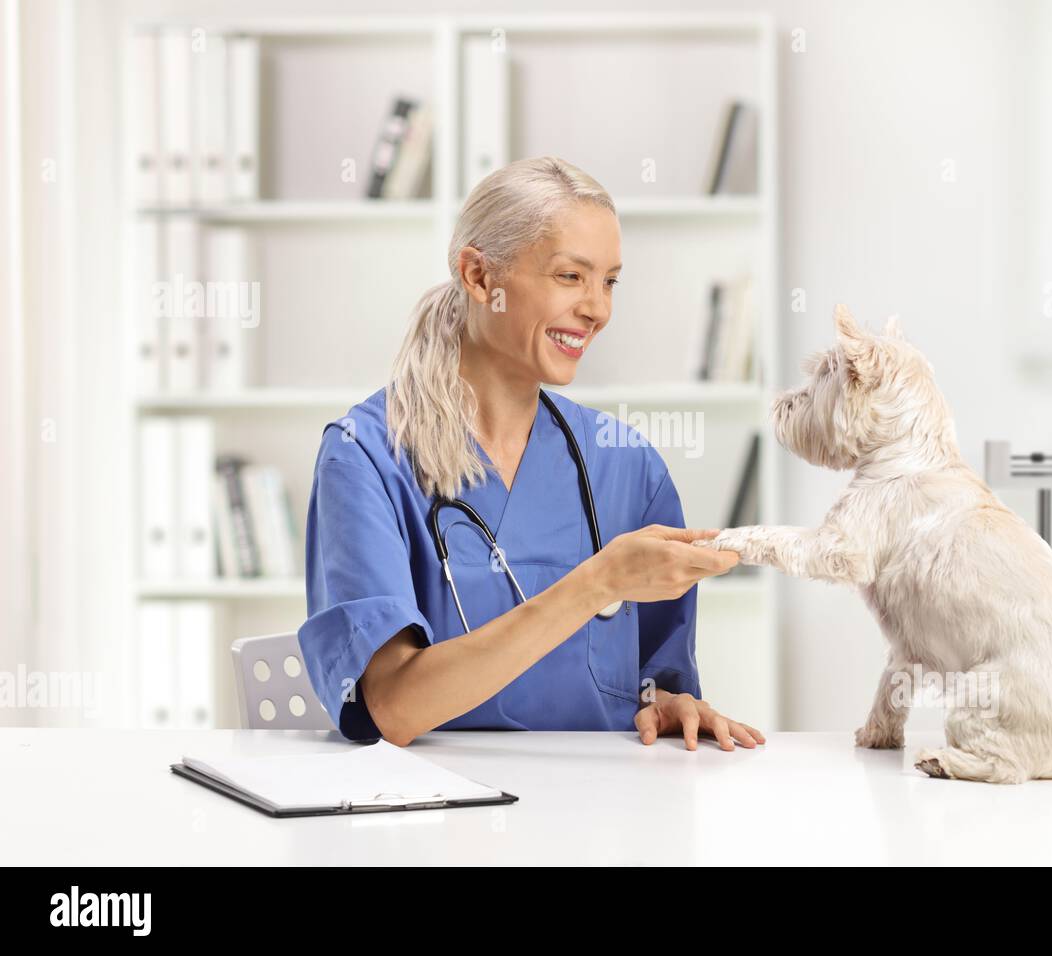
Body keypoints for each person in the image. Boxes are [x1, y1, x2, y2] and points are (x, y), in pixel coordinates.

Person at [298, 156, 764, 751]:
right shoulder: (366, 458)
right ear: (477, 275)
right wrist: (596, 584)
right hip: (433, 822)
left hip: (601, 820)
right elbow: (392, 707)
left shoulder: (627, 467)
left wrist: (668, 703)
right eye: (571, 277)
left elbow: (654, 681)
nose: (598, 308)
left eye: (610, 281)